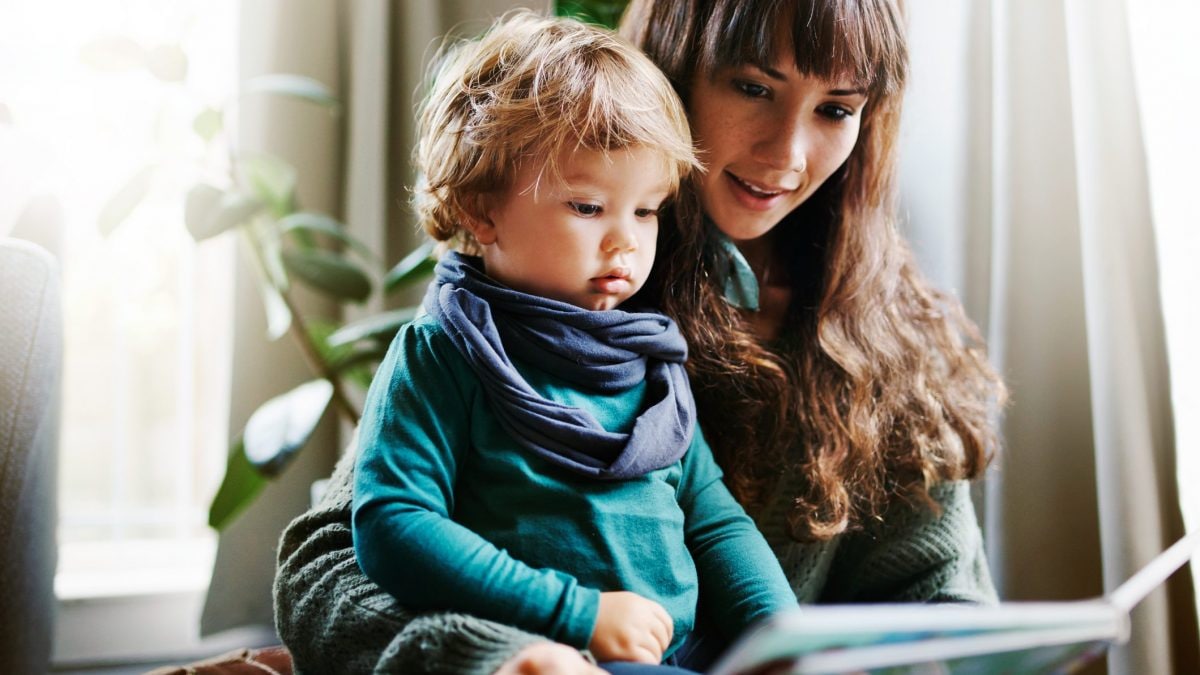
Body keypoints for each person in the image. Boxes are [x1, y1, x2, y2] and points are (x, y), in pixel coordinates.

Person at [273, 1, 1007, 673]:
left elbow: (945, 610)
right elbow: (329, 564)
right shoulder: (529, 293)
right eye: (754, 87)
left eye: (836, 108)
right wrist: (501, 656)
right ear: (674, 69)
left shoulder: (889, 339)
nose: (787, 153)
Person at [349, 10, 797, 673]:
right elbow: (393, 523)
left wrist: (786, 637)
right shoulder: (444, 352)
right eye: (587, 207)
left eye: (645, 210)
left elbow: (714, 522)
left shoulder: (652, 365)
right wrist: (575, 611)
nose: (625, 241)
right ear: (480, 205)